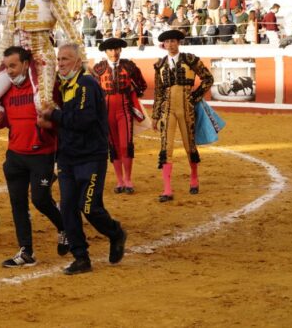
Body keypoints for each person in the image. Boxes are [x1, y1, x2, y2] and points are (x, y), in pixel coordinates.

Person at [40, 43, 127, 275]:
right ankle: (81, 257)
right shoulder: (65, 85)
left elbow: (82, 120)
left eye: (66, 59)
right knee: (68, 208)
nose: (60, 63)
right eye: (59, 59)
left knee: (88, 206)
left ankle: (115, 232)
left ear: (78, 62)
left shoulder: (86, 83)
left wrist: (53, 115)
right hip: (68, 157)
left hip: (90, 156)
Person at [0, 46, 68, 268]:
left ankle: (64, 227)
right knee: (17, 204)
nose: (10, 71)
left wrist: (49, 124)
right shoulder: (6, 91)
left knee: (41, 200)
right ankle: (26, 251)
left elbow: (60, 119)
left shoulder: (43, 89)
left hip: (41, 153)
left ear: (25, 64)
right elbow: (5, 119)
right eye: (7, 67)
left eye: (13, 65)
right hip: (15, 155)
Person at [151, 30, 214, 202]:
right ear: (163, 45)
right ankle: (167, 189)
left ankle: (194, 178)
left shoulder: (190, 59)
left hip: (186, 108)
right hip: (168, 109)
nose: (170, 44)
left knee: (189, 145)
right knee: (166, 147)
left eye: (173, 41)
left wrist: (194, 97)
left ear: (178, 42)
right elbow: (158, 92)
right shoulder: (160, 65)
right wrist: (156, 115)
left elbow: (208, 78)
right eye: (167, 42)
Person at [91, 38, 148, 194]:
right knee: (114, 146)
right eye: (110, 50)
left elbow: (142, 85)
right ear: (106, 52)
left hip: (124, 111)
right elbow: (94, 92)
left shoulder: (129, 67)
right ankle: (120, 180)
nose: (114, 53)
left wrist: (133, 96)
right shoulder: (98, 69)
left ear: (120, 50)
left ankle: (128, 179)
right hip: (107, 113)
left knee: (126, 144)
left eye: (116, 49)